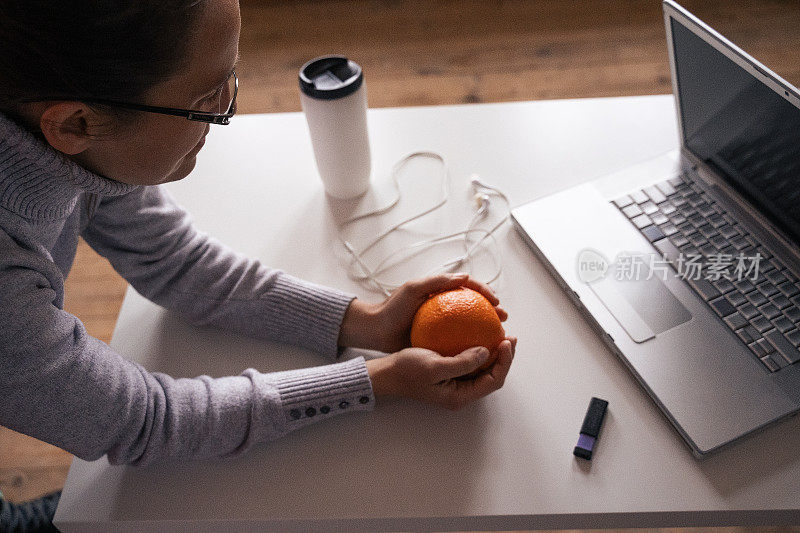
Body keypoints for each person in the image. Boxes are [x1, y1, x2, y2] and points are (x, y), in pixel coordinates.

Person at [0, 0, 516, 529]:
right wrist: (375, 380)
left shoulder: (80, 145)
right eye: (206, 100)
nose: (227, 114)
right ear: (75, 123)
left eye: (231, 79)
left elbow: (176, 260)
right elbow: (147, 422)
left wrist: (366, 321)